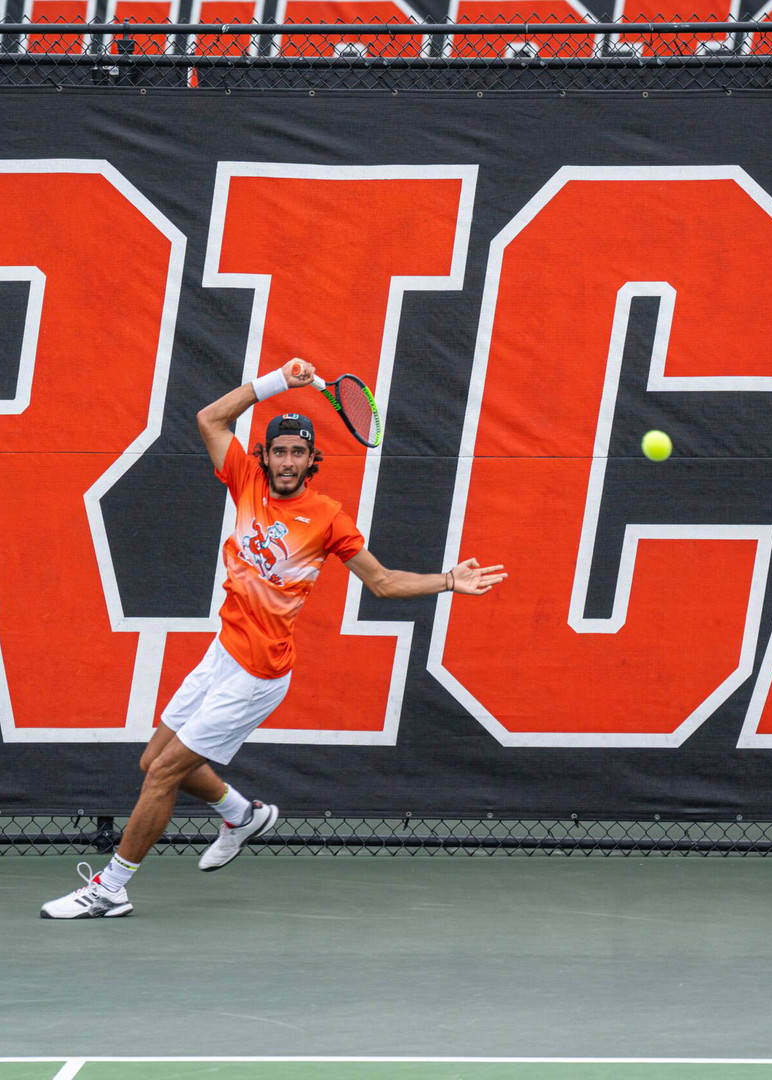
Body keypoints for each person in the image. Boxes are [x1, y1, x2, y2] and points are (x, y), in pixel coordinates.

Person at [42, 359, 507, 918]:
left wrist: (450, 580)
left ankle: (109, 889)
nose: (287, 460)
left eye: (298, 452)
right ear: (264, 456)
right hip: (222, 652)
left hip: (259, 671)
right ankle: (243, 814)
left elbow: (381, 583)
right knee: (153, 762)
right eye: (279, 450)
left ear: (313, 460)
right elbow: (210, 419)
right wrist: (277, 382)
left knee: (165, 773)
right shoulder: (246, 481)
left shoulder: (328, 518)